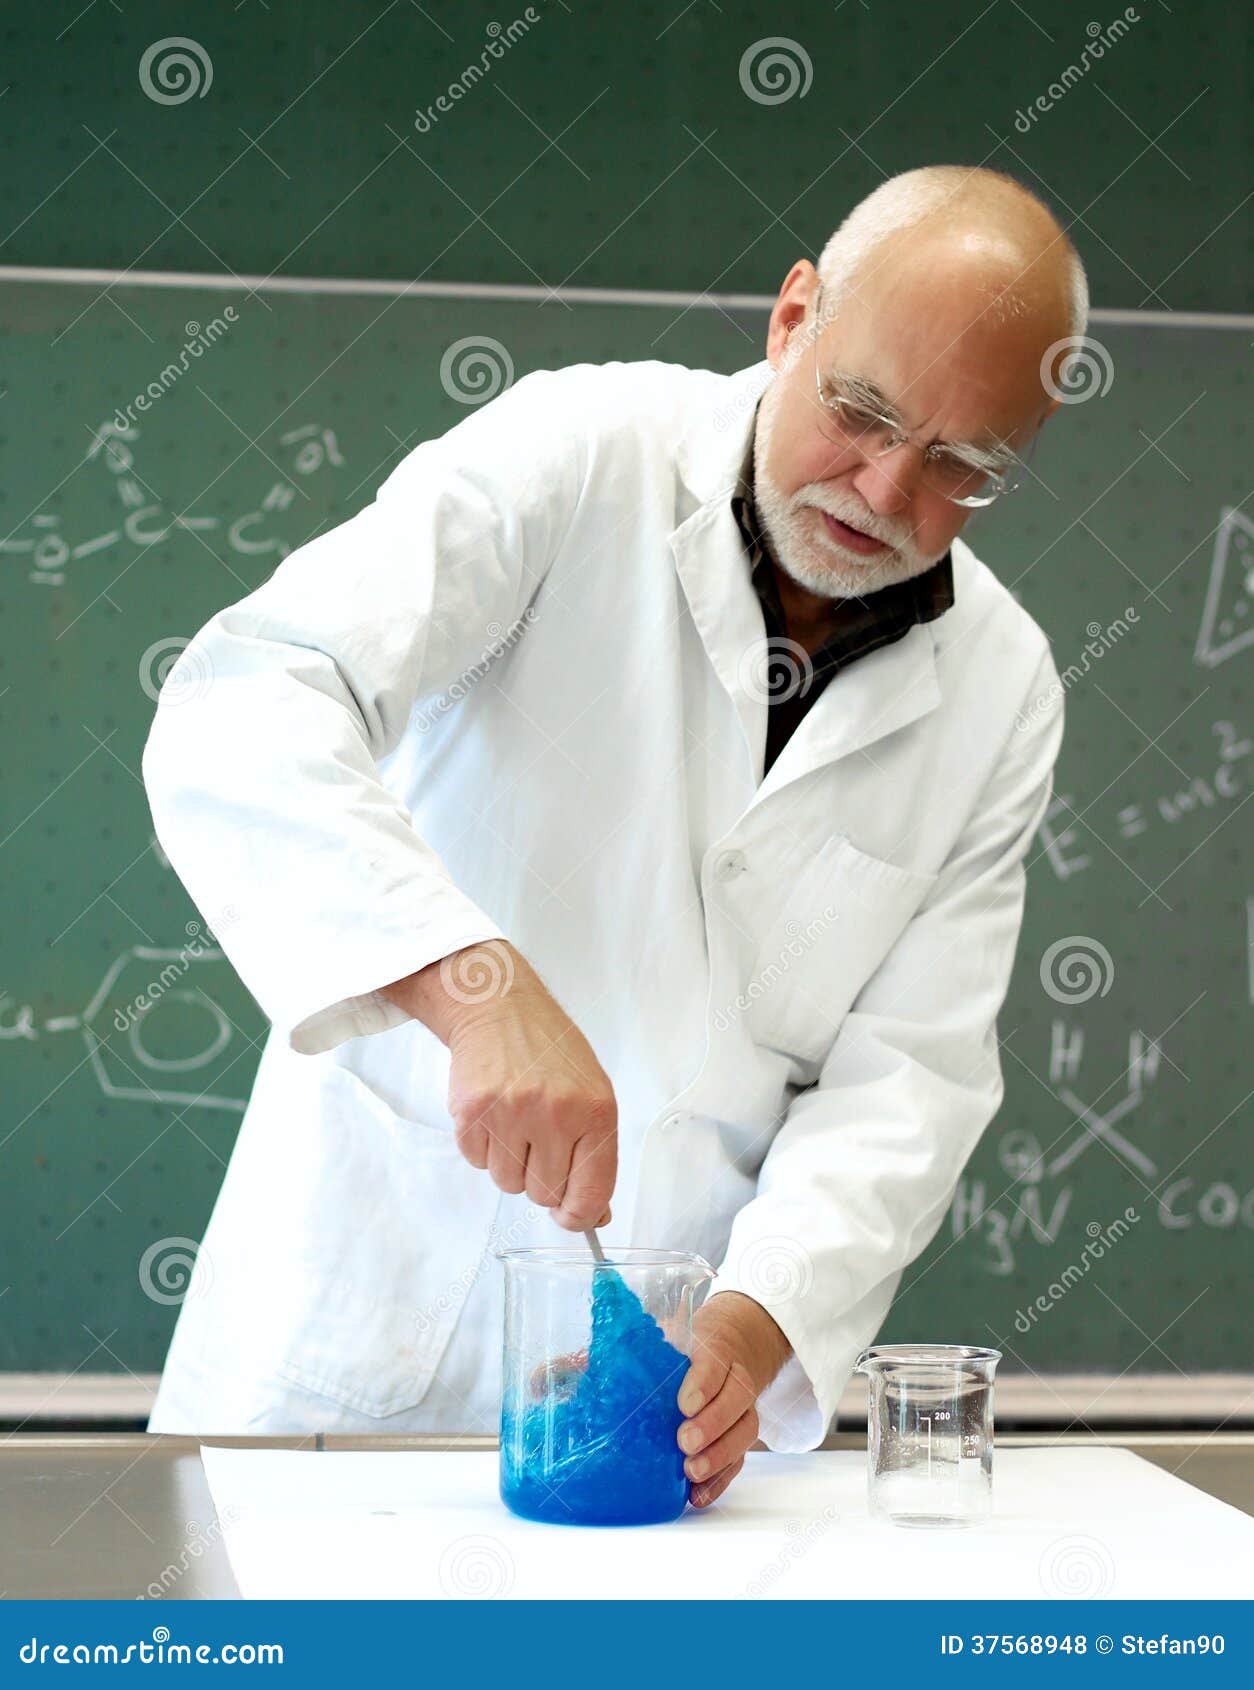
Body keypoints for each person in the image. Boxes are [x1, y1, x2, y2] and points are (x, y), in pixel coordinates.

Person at [142, 164, 1077, 1509]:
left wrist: (752, 1325)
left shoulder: (1002, 685)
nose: (881, 485)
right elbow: (246, 700)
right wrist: (467, 982)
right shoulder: (579, 454)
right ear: (790, 318)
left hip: (659, 1435)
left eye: (957, 463)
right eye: (860, 411)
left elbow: (906, 1082)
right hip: (336, 1393)